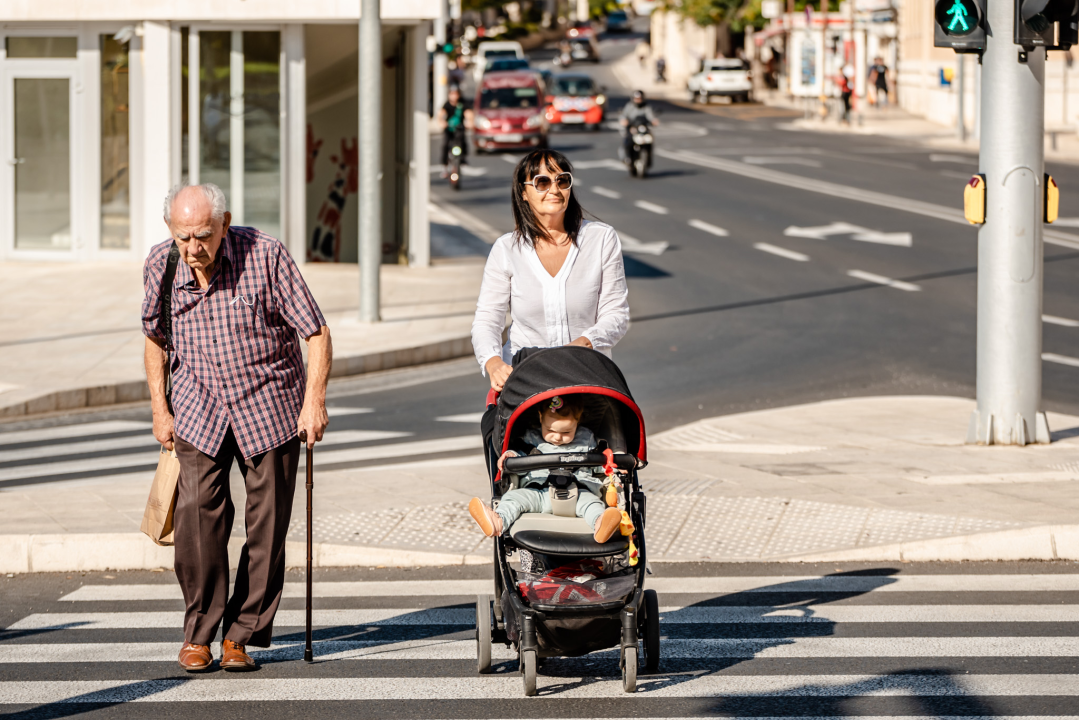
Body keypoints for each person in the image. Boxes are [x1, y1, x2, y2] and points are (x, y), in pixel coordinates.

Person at [142, 183, 332, 673]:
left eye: (203, 235)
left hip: (267, 406)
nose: (193, 248)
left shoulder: (265, 256)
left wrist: (313, 403)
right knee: (197, 518)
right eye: (183, 237)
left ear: (225, 224)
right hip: (199, 407)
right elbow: (155, 340)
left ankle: (241, 634)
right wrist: (160, 410)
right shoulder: (161, 264)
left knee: (267, 527)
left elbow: (316, 331)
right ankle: (200, 632)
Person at [471, 148, 630, 394]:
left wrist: (583, 346)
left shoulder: (601, 238)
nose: (554, 189)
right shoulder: (506, 249)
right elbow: (487, 319)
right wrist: (493, 363)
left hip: (586, 375)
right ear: (524, 193)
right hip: (526, 381)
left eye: (562, 180)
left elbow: (616, 315)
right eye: (542, 182)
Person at [468, 395, 623, 543]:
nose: (557, 437)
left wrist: (615, 469)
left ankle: (601, 523)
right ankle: (498, 521)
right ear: (541, 417)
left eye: (566, 432)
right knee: (514, 499)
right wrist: (510, 456)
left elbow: (600, 464)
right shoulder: (530, 439)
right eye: (550, 430)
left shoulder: (587, 440)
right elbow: (520, 463)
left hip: (578, 493)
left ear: (578, 420)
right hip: (538, 492)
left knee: (593, 505)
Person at [438, 86, 473, 176]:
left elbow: (469, 114)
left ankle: (463, 159)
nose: (454, 96)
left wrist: (469, 122)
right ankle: (444, 166)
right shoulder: (447, 104)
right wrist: (442, 122)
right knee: (445, 145)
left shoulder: (463, 103)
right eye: (452, 94)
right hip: (449, 129)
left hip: (459, 128)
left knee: (463, 142)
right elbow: (441, 114)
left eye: (456, 94)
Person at [619, 90, 659, 159]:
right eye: (636, 99)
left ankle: (649, 157)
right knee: (628, 140)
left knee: (649, 140)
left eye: (639, 99)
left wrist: (654, 121)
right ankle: (628, 157)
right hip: (632, 127)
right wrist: (624, 120)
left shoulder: (646, 107)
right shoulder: (629, 106)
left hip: (642, 128)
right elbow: (624, 115)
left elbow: (651, 116)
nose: (638, 100)